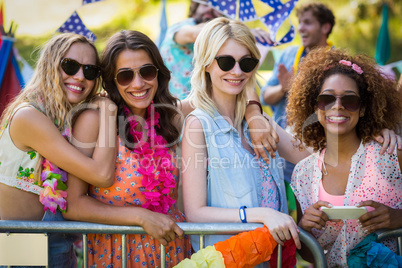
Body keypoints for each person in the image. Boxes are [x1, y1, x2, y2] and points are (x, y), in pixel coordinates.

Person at [181, 18, 313, 267]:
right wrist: (262, 215)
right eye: (226, 62)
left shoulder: (261, 122)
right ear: (206, 64)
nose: (237, 71)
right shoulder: (198, 125)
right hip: (228, 258)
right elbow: (195, 211)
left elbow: (311, 159)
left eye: (247, 62)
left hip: (271, 259)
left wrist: (377, 132)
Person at [63, 30, 194, 267]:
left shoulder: (169, 116)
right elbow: (73, 204)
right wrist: (140, 217)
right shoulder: (96, 120)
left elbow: (218, 97)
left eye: (147, 71)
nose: (138, 83)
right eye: (125, 76)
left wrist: (253, 108)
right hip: (119, 256)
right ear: (112, 80)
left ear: (158, 73)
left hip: (172, 254)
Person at [0, 33, 117, 267]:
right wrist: (109, 111)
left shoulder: (66, 118)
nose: (80, 76)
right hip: (20, 245)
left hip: (57, 240)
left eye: (90, 71)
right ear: (50, 65)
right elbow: (102, 175)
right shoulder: (29, 116)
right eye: (70, 66)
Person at [287, 48, 402, 267]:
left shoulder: (391, 155)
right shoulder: (303, 173)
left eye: (349, 100)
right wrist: (305, 228)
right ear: (315, 107)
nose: (337, 106)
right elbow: (310, 257)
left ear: (363, 108)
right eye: (326, 98)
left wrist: (398, 218)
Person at [260, 2, 335, 184]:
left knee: (309, 208)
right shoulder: (289, 55)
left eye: (307, 22)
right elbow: (264, 96)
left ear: (325, 27)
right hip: (280, 147)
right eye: (300, 22)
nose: (301, 28)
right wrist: (283, 88)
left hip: (317, 149)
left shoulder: (337, 61)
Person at [160, 0, 273, 100]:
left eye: (217, 6)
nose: (210, 8)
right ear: (195, 7)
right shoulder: (181, 27)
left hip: (208, 107)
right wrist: (245, 31)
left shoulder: (222, 40)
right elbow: (195, 33)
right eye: (205, 4)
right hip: (176, 107)